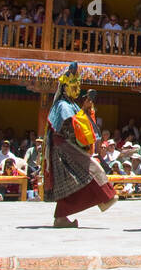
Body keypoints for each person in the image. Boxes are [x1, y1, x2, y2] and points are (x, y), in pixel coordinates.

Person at [43, 63, 116, 227]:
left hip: (70, 147)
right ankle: (103, 198)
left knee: (74, 180)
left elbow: (82, 121)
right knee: (84, 173)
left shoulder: (72, 104)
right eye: (73, 85)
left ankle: (62, 217)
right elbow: (71, 125)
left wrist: (86, 109)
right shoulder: (62, 105)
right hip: (62, 148)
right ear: (65, 87)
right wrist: (84, 109)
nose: (76, 88)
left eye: (77, 85)